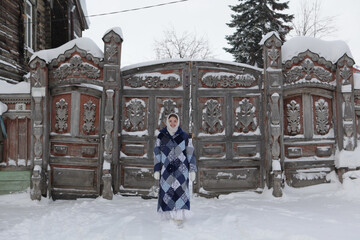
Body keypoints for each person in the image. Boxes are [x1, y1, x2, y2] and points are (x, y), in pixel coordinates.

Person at [153, 113, 197, 225]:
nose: (173, 123)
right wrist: (157, 169)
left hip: (181, 171)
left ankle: (178, 217)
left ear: (178, 122)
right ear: (167, 121)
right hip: (166, 170)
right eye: (171, 121)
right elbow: (157, 153)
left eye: (175, 121)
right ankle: (169, 216)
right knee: (167, 191)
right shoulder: (161, 136)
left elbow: (190, 153)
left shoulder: (184, 136)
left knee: (180, 191)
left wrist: (192, 169)